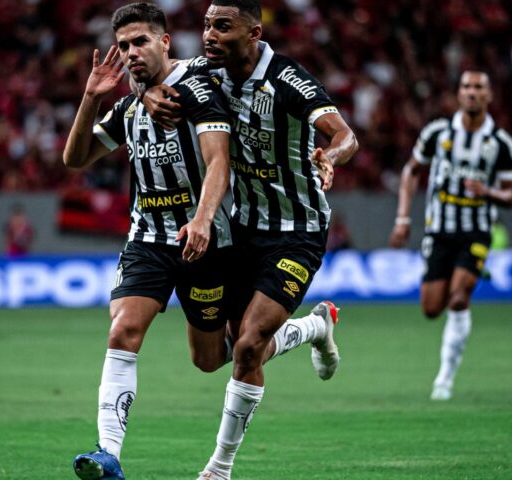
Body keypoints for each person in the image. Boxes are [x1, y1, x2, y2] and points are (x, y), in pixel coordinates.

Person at [141, 1, 359, 478]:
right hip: (239, 229)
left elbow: (344, 134)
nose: (209, 35)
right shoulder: (205, 72)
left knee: (248, 346)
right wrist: (147, 94)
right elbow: (157, 74)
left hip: (296, 233)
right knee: (212, 357)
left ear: (253, 33)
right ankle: (314, 329)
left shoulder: (286, 80)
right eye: (205, 25)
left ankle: (219, 467)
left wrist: (332, 158)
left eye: (222, 26)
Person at [63, 4, 235, 479]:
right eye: (123, 46)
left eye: (141, 41)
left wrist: (202, 219)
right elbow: (75, 157)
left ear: (164, 41)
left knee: (210, 359)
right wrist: (91, 97)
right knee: (122, 331)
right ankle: (108, 454)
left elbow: (218, 159)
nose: (131, 52)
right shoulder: (128, 108)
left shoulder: (199, 82)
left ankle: (295, 332)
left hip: (206, 239)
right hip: (148, 240)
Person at [389, 70, 512, 401]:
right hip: (439, 231)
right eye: (466, 87)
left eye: (478, 87)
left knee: (459, 298)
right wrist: (403, 217)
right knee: (432, 308)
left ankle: (444, 379)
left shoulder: (501, 144)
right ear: (459, 94)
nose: (472, 92)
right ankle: (468, 274)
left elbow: (510, 195)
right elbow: (411, 171)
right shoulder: (437, 132)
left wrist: (486, 191)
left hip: (476, 230)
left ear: (489, 96)